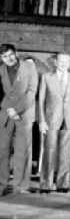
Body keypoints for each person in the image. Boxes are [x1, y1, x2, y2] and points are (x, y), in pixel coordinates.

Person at [37, 52, 70, 193]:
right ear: (55, 62)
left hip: (69, 119)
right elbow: (41, 100)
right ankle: (46, 184)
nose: (64, 64)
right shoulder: (46, 77)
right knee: (49, 151)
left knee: (66, 153)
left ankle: (63, 184)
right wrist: (42, 120)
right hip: (51, 120)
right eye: (61, 61)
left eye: (67, 61)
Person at [0, 44, 38, 195]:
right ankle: (2, 184)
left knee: (23, 151)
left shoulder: (29, 68)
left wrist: (17, 109)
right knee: (2, 151)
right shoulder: (0, 69)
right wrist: (8, 109)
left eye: (10, 55)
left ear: (16, 53)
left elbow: (31, 91)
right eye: (4, 56)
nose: (8, 59)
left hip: (24, 114)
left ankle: (21, 185)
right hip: (5, 114)